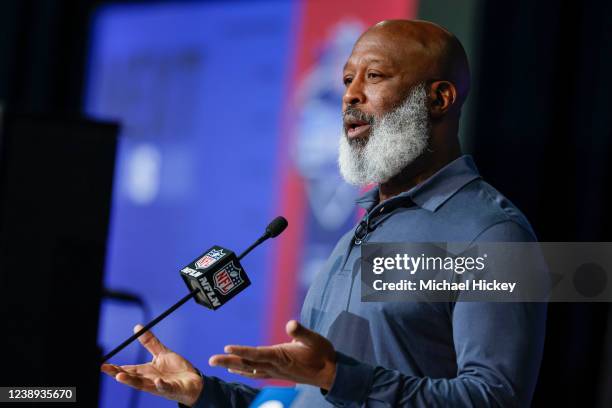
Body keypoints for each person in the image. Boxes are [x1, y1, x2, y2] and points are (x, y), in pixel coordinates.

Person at [102, 19, 547, 407]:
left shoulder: (494, 233)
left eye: (374, 76)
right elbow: (317, 402)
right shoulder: (362, 230)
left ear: (439, 98)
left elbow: (494, 397)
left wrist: (338, 376)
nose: (351, 95)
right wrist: (206, 393)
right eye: (347, 80)